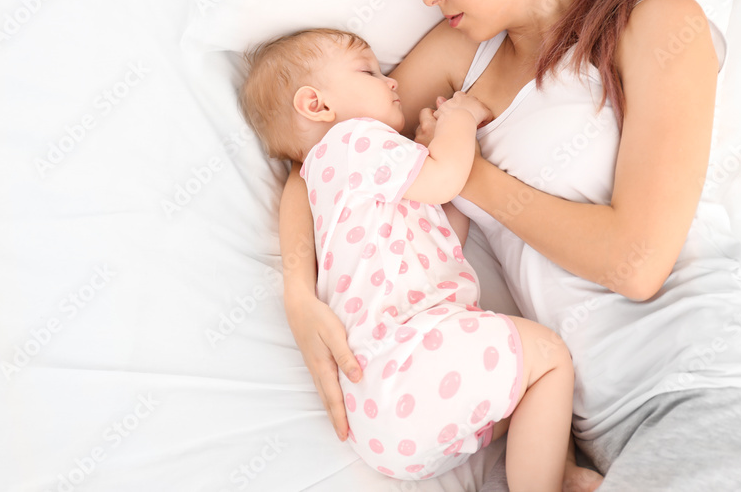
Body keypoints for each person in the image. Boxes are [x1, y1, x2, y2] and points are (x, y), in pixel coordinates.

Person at [277, 0, 741, 490]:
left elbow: (635, 262)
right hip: (593, 428)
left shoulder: (658, 25)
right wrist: (299, 293)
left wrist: (473, 176)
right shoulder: (458, 61)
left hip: (703, 382)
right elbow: (323, 160)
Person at [239, 27, 578, 488]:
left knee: (524, 396)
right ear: (316, 105)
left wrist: (429, 149)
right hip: (412, 359)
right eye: (369, 71)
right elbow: (444, 181)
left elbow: (442, 238)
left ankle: (556, 474)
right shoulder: (352, 141)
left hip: (383, 425)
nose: (391, 81)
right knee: (550, 359)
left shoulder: (328, 186)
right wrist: (459, 119)